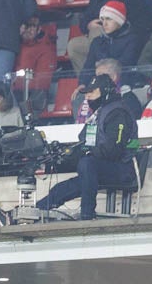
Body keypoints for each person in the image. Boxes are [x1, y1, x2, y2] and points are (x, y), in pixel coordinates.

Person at [35, 76, 136, 221]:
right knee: (64, 187)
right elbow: (84, 143)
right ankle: (34, 212)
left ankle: (87, 215)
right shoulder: (99, 113)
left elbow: (113, 151)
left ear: (106, 92)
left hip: (124, 169)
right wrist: (62, 159)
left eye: (92, 92)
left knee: (87, 164)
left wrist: (86, 152)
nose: (87, 96)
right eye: (86, 93)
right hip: (99, 168)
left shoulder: (118, 113)